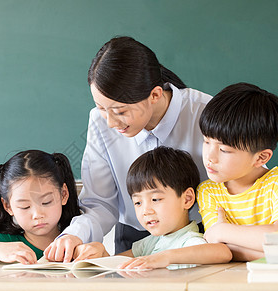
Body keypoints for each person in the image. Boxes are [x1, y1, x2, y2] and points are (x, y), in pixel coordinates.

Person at [45, 36, 213, 262]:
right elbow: (100, 202)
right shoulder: (99, 122)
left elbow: (250, 176)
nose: (111, 123)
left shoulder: (205, 113)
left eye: (120, 111)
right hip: (135, 240)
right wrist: (74, 235)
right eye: (101, 108)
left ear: (155, 95)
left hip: (203, 237)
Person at [197, 83, 278, 262]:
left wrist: (223, 230)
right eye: (206, 141)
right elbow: (218, 248)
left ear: (261, 158)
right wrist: (273, 250)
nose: (210, 157)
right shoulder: (209, 191)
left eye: (224, 150)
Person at [79, 146, 232, 269]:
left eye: (155, 199)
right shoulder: (152, 242)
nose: (146, 211)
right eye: (138, 203)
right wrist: (100, 252)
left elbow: (222, 252)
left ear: (187, 199)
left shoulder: (190, 240)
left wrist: (164, 257)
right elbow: (118, 263)